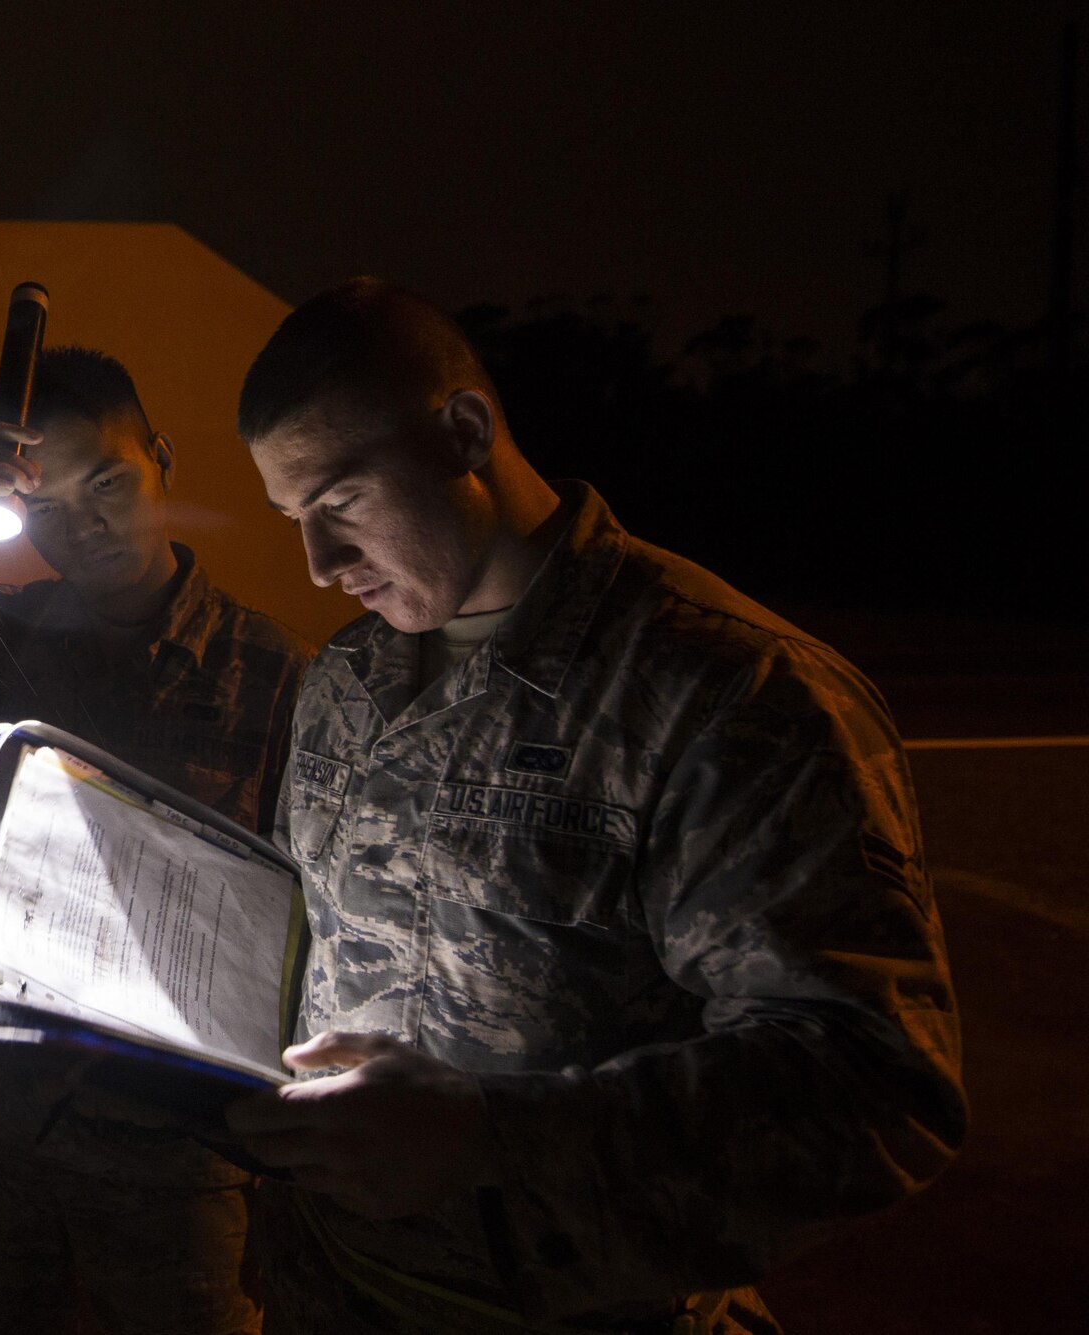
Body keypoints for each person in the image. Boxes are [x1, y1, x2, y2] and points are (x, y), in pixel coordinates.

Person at [222, 279, 965, 1334]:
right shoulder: (345, 680)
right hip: (324, 1295)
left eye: (340, 502)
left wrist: (489, 1134)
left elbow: (871, 1087)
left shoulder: (722, 693)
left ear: (463, 432)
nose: (318, 564)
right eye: (294, 520)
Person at [0, 346, 311, 1334]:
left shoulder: (271, 669)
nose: (84, 522)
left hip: (177, 1145)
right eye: (45, 503)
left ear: (162, 461)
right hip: (0, 1114)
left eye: (107, 482)